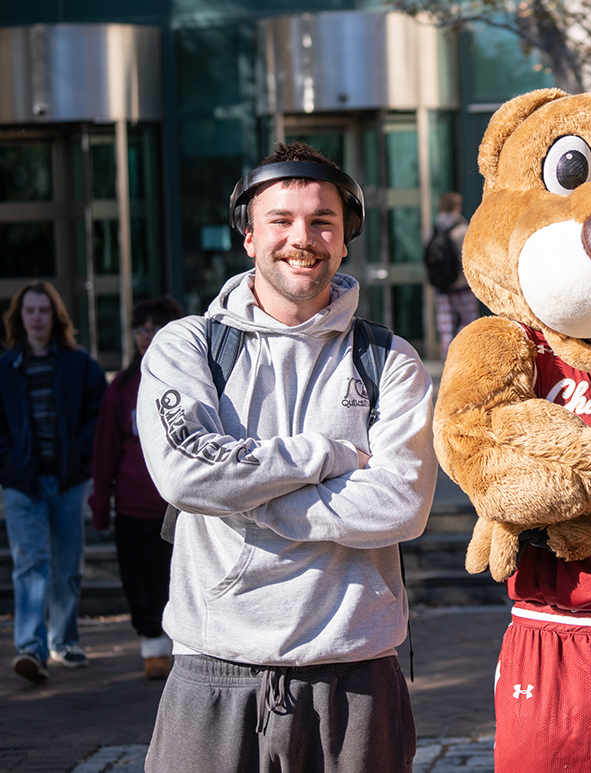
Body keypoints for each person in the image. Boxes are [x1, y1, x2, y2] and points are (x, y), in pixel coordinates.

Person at [136, 141, 437, 772]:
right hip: (213, 669)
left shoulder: (390, 361)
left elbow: (401, 506)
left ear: (345, 239)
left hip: (356, 676)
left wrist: (245, 496)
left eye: (322, 221)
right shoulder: (187, 346)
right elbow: (186, 475)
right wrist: (323, 455)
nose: (303, 238)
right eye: (281, 220)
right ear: (248, 236)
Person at [0, 280, 106, 684]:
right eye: (30, 310)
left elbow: (98, 414)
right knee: (29, 564)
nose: (37, 317)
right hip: (21, 483)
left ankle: (64, 639)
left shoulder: (79, 365)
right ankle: (31, 648)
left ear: (55, 316)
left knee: (67, 565)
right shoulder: (5, 369)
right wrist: (8, 463)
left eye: (44, 310)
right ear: (20, 317)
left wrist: (80, 456)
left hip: (67, 480)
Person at [90, 295, 184, 680]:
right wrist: (100, 503)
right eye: (141, 329)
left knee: (174, 578)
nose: (147, 337)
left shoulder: (192, 381)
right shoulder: (123, 387)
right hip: (132, 505)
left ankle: (177, 644)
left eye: (155, 328)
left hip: (177, 504)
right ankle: (152, 644)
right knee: (139, 582)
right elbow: (105, 449)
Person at [427, 190, 479, 354]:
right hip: (462, 286)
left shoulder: (434, 229)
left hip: (442, 288)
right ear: (457, 207)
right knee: (470, 324)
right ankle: (469, 358)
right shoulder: (462, 229)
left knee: (446, 328)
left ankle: (448, 362)